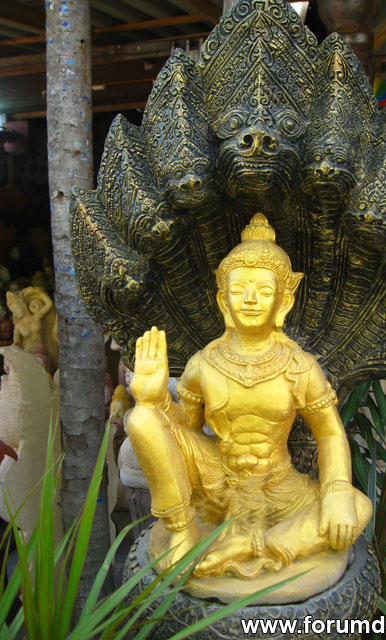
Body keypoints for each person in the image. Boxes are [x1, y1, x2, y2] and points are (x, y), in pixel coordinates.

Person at [127, 213, 371, 579]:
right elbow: (186, 430)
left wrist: (336, 491)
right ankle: (182, 530)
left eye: (265, 292)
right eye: (239, 290)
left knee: (358, 505)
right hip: (217, 478)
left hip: (279, 485)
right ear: (223, 301)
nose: (252, 300)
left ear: (283, 303)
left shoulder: (299, 366)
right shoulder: (203, 363)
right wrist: (156, 400)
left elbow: (330, 433)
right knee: (142, 418)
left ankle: (254, 545)